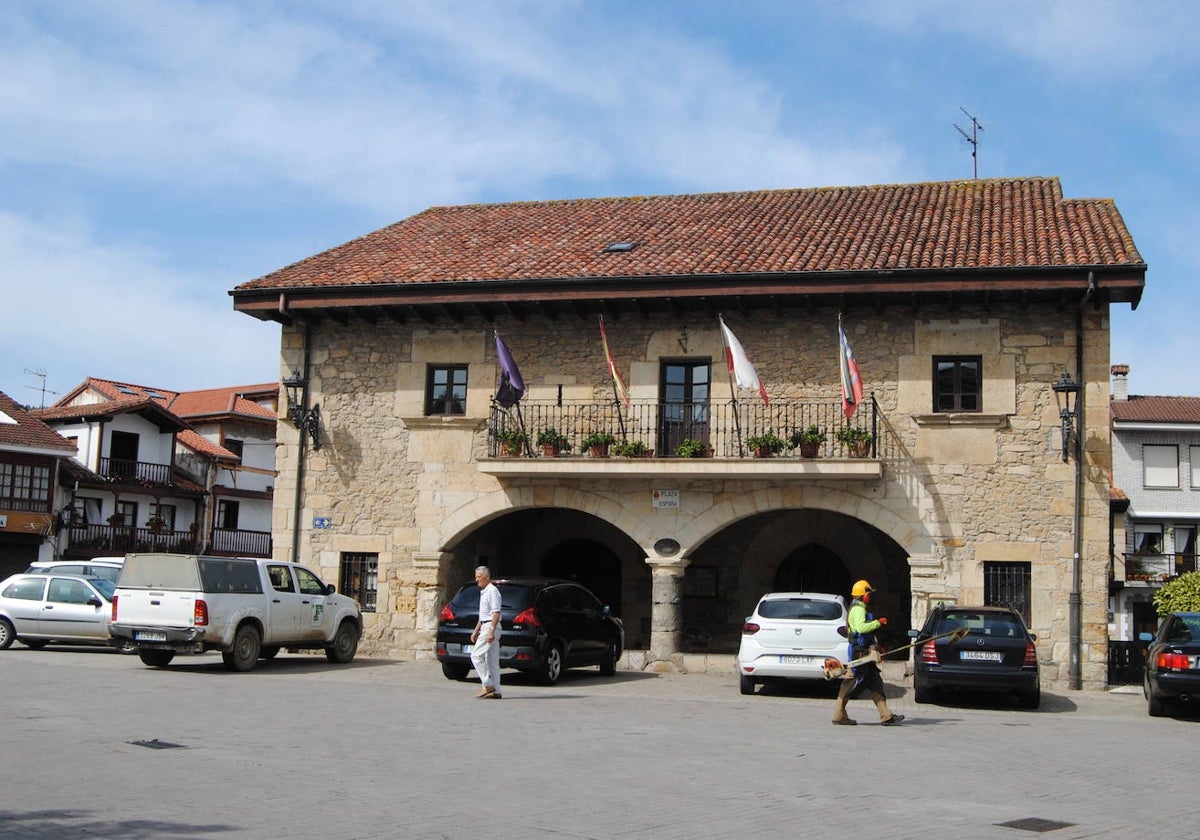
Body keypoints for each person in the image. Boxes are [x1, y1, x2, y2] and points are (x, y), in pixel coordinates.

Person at [831, 579, 904, 726]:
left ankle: (886, 715)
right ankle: (838, 714)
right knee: (850, 682)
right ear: (863, 595)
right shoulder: (858, 610)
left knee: (875, 682)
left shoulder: (858, 608)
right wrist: (879, 622)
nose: (869, 597)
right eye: (868, 593)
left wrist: (875, 647)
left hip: (865, 651)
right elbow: (861, 629)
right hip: (859, 652)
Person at [470, 565, 503, 700]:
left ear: (487, 577)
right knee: (492, 661)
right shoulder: (484, 592)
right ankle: (497, 690)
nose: (476, 579)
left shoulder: (492, 591)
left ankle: (488, 684)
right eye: (476, 576)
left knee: (476, 655)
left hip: (491, 626)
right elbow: (482, 615)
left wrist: (491, 631)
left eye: (479, 577)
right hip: (486, 625)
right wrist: (475, 631)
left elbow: (495, 612)